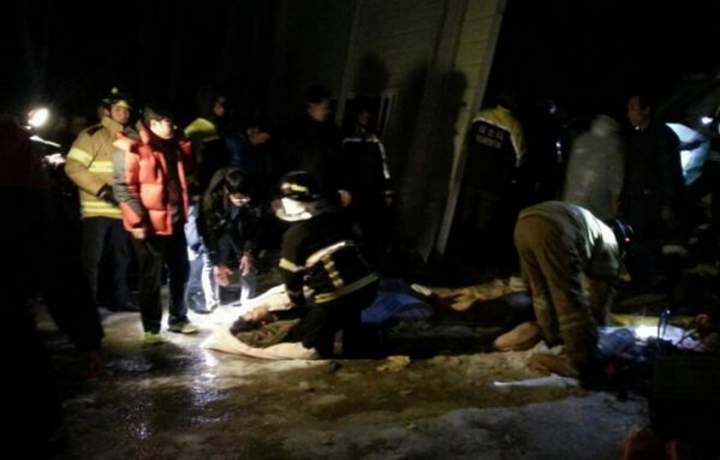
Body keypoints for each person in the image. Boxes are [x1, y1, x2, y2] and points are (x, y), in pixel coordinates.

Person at [494, 201, 632, 380]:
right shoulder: (609, 239)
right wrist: (597, 329)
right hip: (554, 227)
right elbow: (601, 293)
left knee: (540, 292)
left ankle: (551, 337)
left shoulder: (593, 225)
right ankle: (580, 361)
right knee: (567, 298)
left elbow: (534, 288)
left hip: (524, 223)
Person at [255, 171, 379, 357]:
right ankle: (357, 349)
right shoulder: (338, 218)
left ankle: (326, 354)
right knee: (351, 318)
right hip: (368, 286)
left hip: (335, 296)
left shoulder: (294, 237)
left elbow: (291, 276)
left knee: (312, 338)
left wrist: (298, 303)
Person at [113, 104, 197, 344]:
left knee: (181, 270)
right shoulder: (130, 145)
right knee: (151, 276)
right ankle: (151, 327)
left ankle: (178, 318)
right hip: (148, 224)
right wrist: (137, 222)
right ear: (154, 123)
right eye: (170, 122)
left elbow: (189, 170)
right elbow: (123, 187)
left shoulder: (174, 142)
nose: (175, 126)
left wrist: (185, 144)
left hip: (174, 219)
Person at [64, 88, 135, 311]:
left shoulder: (131, 137)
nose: (124, 113)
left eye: (126, 110)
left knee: (121, 259)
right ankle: (87, 305)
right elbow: (73, 167)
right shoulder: (92, 135)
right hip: (96, 210)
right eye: (118, 109)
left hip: (123, 210)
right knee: (92, 261)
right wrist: (103, 190)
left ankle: (120, 300)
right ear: (107, 111)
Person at [459, 90, 527, 269]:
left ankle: (459, 254)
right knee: (483, 222)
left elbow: (468, 142)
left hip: (472, 175)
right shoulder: (514, 126)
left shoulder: (481, 117)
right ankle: (473, 261)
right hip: (493, 182)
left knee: (465, 217)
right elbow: (519, 158)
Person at [620, 93, 683, 283]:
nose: (629, 113)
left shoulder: (661, 136)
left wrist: (667, 203)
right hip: (638, 199)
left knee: (650, 241)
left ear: (646, 110)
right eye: (629, 109)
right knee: (639, 240)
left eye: (633, 108)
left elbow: (668, 171)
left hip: (652, 201)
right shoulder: (637, 136)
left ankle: (654, 278)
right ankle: (644, 278)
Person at [197, 167, 260, 311]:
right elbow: (208, 233)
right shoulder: (211, 201)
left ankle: (248, 300)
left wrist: (248, 252)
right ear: (227, 191)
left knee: (247, 262)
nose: (243, 201)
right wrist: (217, 262)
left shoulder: (252, 198)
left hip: (239, 223)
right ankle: (212, 302)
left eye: (246, 198)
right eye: (239, 198)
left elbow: (254, 228)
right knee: (210, 264)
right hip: (215, 228)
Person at [282, 85, 351, 207]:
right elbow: (284, 161)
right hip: (297, 191)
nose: (327, 111)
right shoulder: (293, 130)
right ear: (311, 104)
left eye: (328, 108)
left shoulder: (333, 131)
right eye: (324, 107)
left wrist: (342, 187)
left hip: (325, 193)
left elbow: (339, 161)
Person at [342, 105, 394, 264]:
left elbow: (383, 167)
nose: (364, 120)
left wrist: (387, 191)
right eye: (362, 116)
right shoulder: (347, 140)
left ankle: (368, 261)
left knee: (370, 229)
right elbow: (342, 166)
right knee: (350, 228)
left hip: (371, 192)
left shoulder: (375, 140)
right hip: (353, 191)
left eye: (367, 117)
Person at [563, 112, 625, 220]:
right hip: (597, 206)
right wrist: (615, 202)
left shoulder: (581, 140)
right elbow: (616, 178)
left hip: (572, 202)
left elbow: (570, 173)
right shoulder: (613, 144)